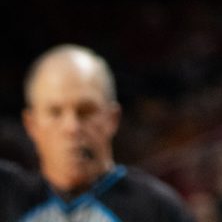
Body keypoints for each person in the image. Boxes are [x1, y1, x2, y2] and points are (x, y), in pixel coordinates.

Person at [0, 44, 194, 221]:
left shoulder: (158, 209)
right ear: (31, 124)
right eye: (55, 112)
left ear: (112, 119)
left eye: (85, 111)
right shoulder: (9, 197)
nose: (72, 127)